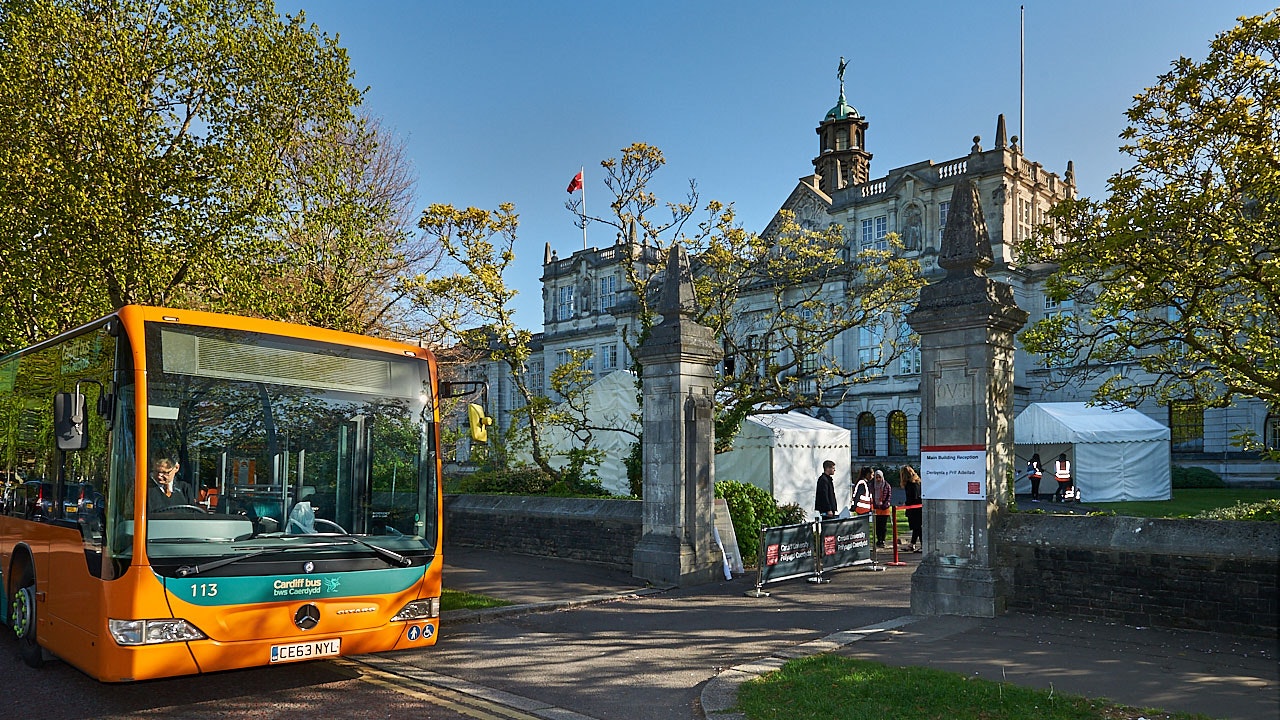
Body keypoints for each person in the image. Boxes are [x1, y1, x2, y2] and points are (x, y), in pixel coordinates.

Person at [899, 465, 922, 552]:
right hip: (918, 507)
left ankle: (921, 545)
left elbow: (912, 497)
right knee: (917, 527)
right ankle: (912, 544)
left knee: (917, 527)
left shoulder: (910, 484)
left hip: (914, 508)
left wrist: (906, 504)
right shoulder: (917, 482)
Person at [871, 469, 892, 548]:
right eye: (876, 477)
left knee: (883, 526)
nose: (878, 479)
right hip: (876, 508)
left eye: (879, 477)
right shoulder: (872, 485)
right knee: (877, 526)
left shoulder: (886, 485)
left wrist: (885, 504)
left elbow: (888, 496)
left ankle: (882, 540)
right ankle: (878, 539)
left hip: (884, 508)